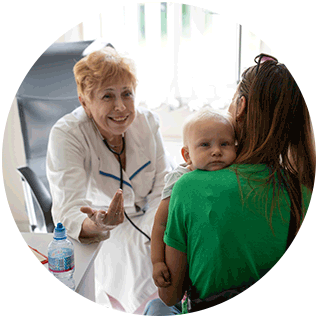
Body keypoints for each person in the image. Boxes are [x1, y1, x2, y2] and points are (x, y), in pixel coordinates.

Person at [144, 54, 315, 315]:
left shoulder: (189, 188)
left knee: (155, 306)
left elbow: (170, 295)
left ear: (241, 106)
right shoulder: (302, 191)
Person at [46, 46, 172, 313]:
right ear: (84, 102)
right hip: (105, 232)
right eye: (107, 96)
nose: (121, 107)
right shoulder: (67, 134)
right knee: (139, 262)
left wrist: (156, 230)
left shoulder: (148, 122)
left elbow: (164, 185)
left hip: (152, 216)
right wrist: (97, 224)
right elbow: (67, 210)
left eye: (127, 93)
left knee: (176, 248)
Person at [151, 108, 237, 290]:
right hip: (186, 258)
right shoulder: (179, 179)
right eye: (205, 145)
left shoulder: (235, 173)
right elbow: (160, 224)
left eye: (225, 144)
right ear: (187, 155)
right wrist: (157, 262)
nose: (216, 151)